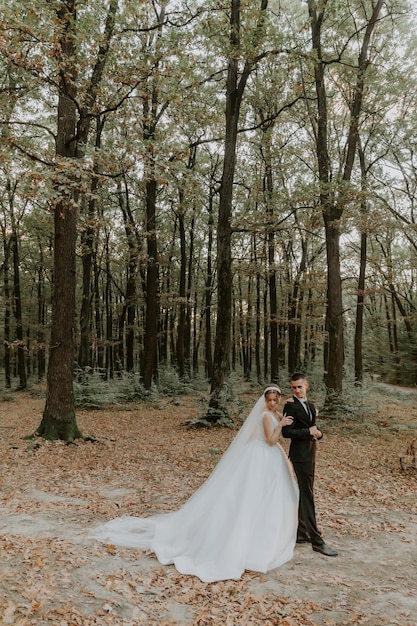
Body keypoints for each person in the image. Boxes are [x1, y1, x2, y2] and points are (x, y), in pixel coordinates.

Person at [91, 385, 299, 583]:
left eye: (275, 400)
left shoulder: (275, 413)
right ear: (264, 400)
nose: (272, 403)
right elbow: (271, 440)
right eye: (269, 400)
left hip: (268, 459)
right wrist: (280, 426)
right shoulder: (264, 416)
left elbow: (284, 418)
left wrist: (290, 407)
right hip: (260, 455)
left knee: (264, 498)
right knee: (246, 497)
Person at [281, 372, 338, 557]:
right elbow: (287, 432)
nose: (297, 390)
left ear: (306, 385)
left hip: (311, 452)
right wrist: (308, 432)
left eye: (299, 386)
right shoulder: (290, 407)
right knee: (307, 495)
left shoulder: (311, 405)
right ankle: (316, 540)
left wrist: (319, 434)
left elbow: (314, 428)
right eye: (293, 387)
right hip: (299, 455)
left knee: (307, 492)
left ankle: (302, 532)